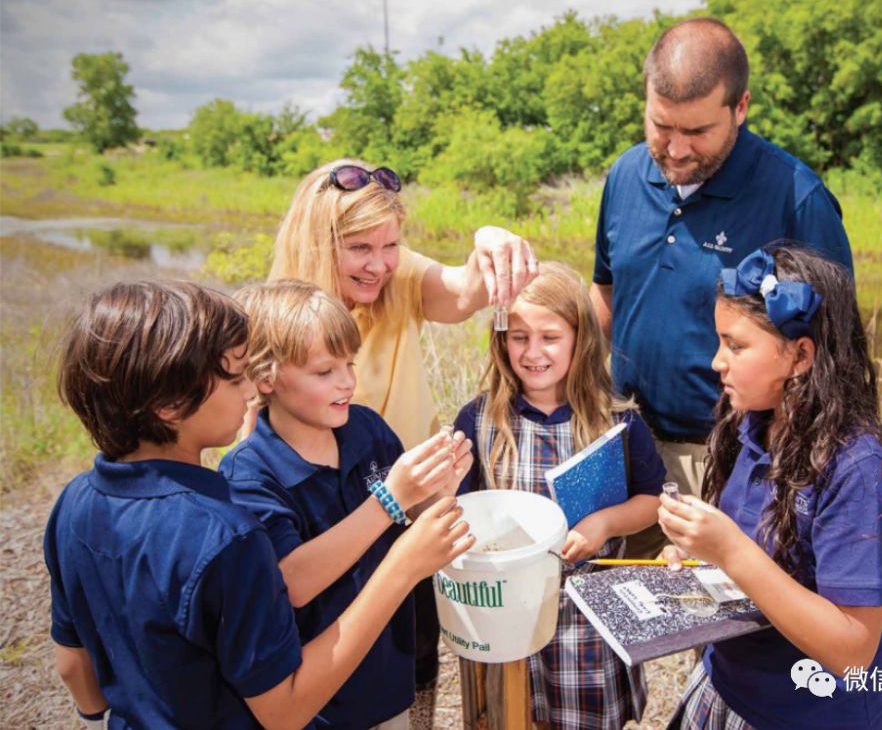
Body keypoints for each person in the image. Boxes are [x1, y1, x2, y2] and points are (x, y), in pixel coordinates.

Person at [43, 279, 473, 730]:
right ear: (170, 405)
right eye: (233, 378)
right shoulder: (226, 534)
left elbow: (74, 665)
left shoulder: (74, 503)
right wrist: (402, 565)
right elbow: (284, 711)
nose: (250, 388)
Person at [269, 161, 538, 723]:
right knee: (338, 663)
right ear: (319, 244)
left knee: (412, 658)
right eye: (360, 248)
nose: (380, 264)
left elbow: (465, 292)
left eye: (390, 244)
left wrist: (488, 241)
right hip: (331, 530)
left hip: (412, 514)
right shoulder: (280, 318)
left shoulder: (396, 277)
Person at [590, 18, 854, 558]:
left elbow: (831, 350)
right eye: (662, 126)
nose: (677, 150)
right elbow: (605, 295)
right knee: (612, 605)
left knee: (717, 631)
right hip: (623, 442)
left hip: (734, 456)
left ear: (741, 107)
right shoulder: (624, 177)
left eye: (698, 132)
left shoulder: (796, 198)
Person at [658, 247, 882, 729]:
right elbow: (757, 559)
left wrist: (733, 552)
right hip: (728, 687)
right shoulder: (750, 426)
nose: (717, 361)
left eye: (735, 346)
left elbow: (851, 651)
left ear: (801, 355)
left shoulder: (862, 470)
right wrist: (700, 557)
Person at [218, 280, 472, 728]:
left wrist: (437, 490)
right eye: (324, 372)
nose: (347, 382)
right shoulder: (250, 474)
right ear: (265, 377)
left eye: (349, 364)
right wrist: (391, 498)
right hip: (319, 702)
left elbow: (407, 515)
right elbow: (292, 580)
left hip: (388, 673)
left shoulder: (367, 429)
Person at [453, 262, 666, 729]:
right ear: (500, 339)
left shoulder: (617, 421)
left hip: (585, 618)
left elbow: (650, 501)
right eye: (519, 337)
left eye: (550, 337)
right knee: (510, 713)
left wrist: (605, 524)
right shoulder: (480, 420)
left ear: (581, 338)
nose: (533, 353)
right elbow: (460, 510)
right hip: (508, 612)